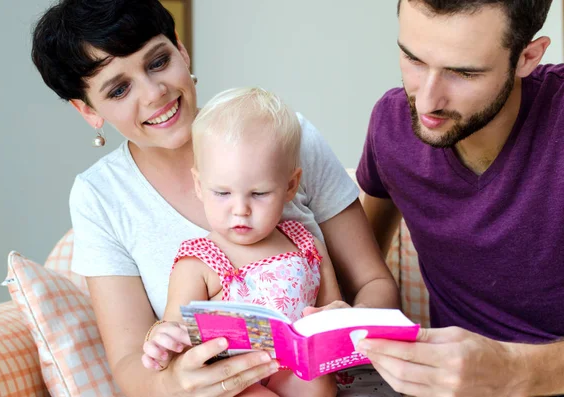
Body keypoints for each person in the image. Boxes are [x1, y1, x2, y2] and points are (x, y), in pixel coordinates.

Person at [31, 1, 399, 396]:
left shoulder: (283, 138)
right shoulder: (101, 197)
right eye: (119, 89)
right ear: (88, 110)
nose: (154, 93)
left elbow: (375, 282)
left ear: (181, 49)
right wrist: (174, 380)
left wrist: (349, 322)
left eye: (157, 62)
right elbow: (128, 363)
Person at [355, 0, 564, 396]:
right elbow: (363, 265)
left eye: (463, 72)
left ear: (528, 57)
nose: (428, 101)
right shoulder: (392, 126)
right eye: (412, 59)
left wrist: (517, 372)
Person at [143, 87, 341, 397]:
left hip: (294, 368)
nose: (240, 210)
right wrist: (163, 341)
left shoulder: (306, 245)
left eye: (259, 194)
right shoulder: (199, 261)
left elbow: (332, 310)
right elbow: (175, 332)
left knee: (319, 385)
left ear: (290, 186)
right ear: (199, 184)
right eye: (222, 193)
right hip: (233, 379)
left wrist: (335, 318)